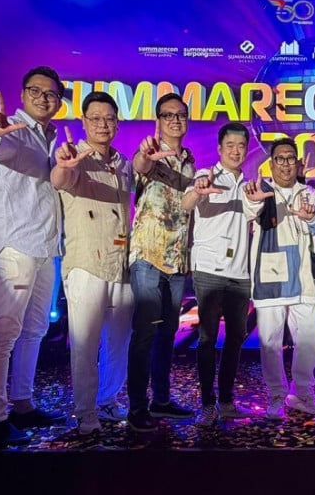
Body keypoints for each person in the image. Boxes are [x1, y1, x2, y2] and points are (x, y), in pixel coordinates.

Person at [0, 66, 67, 449]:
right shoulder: (13, 130)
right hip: (16, 246)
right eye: (35, 91)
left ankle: (22, 404)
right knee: (5, 331)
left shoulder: (50, 136)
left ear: (59, 101)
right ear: (23, 95)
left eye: (51, 93)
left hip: (46, 246)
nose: (43, 98)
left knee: (35, 329)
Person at [50, 91, 134, 435]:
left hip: (121, 265)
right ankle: (85, 411)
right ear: (84, 122)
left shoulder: (123, 163)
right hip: (86, 263)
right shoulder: (75, 158)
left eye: (109, 118)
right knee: (85, 344)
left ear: (117, 123)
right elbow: (59, 180)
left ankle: (108, 400)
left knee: (119, 342)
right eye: (95, 118)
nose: (103, 124)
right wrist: (63, 166)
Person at [243, 138, 315, 419]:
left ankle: (302, 393)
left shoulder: (309, 193)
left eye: (290, 158)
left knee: (307, 340)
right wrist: (253, 202)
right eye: (280, 159)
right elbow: (248, 211)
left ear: (298, 163)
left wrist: (311, 218)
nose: (285, 164)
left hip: (304, 278)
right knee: (270, 342)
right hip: (269, 278)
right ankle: (276, 395)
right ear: (271, 164)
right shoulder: (261, 190)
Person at [125, 93, 196, 432]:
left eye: (180, 114)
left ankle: (161, 401)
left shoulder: (190, 161)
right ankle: (137, 407)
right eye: (168, 115)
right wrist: (144, 156)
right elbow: (139, 167)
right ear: (158, 121)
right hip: (148, 255)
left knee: (167, 333)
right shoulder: (149, 153)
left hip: (177, 258)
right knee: (145, 332)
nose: (175, 120)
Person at [182, 123, 253, 427]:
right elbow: (186, 204)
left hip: (240, 272)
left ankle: (225, 401)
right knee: (207, 338)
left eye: (241, 145)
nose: (236, 151)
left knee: (236, 337)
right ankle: (207, 405)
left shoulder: (249, 184)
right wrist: (198, 191)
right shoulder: (206, 175)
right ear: (220, 148)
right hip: (209, 269)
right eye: (230, 145)